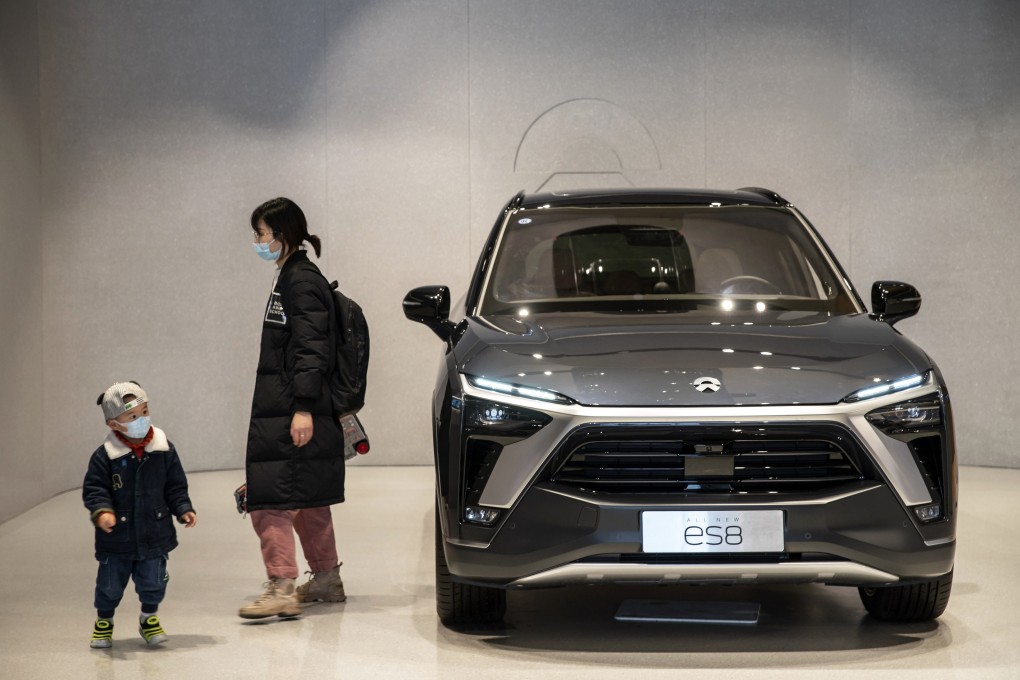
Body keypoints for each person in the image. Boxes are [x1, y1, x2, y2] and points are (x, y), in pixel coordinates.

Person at [239, 197, 347, 620]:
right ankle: (326, 579)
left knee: (270, 497)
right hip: (292, 403)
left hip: (291, 407)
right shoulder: (291, 275)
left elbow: (311, 348)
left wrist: (302, 408)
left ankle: (281, 586)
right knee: (308, 496)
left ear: (282, 235)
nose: (257, 240)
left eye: (261, 233)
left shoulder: (299, 281)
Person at [82, 382, 197, 649]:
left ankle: (148, 618)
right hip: (117, 538)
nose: (141, 420)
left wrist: (183, 508)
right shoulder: (104, 456)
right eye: (132, 416)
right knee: (110, 585)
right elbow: (95, 489)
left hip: (155, 533)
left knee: (154, 582)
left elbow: (175, 486)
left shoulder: (163, 450)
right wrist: (103, 511)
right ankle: (104, 620)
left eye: (144, 412)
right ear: (113, 424)